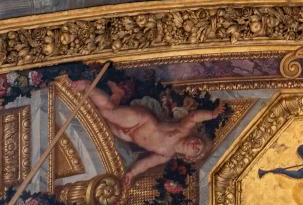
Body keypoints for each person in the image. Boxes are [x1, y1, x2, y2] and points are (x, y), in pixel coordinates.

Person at [75, 77, 219, 180]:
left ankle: (118, 94)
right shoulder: (181, 131)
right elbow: (193, 117)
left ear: (189, 157)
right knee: (107, 112)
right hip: (140, 120)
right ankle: (87, 85)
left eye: (196, 149)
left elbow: (146, 164)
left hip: (129, 136)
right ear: (194, 136)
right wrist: (211, 114)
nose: (194, 144)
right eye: (197, 142)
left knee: (103, 121)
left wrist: (131, 174)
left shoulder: (165, 155)